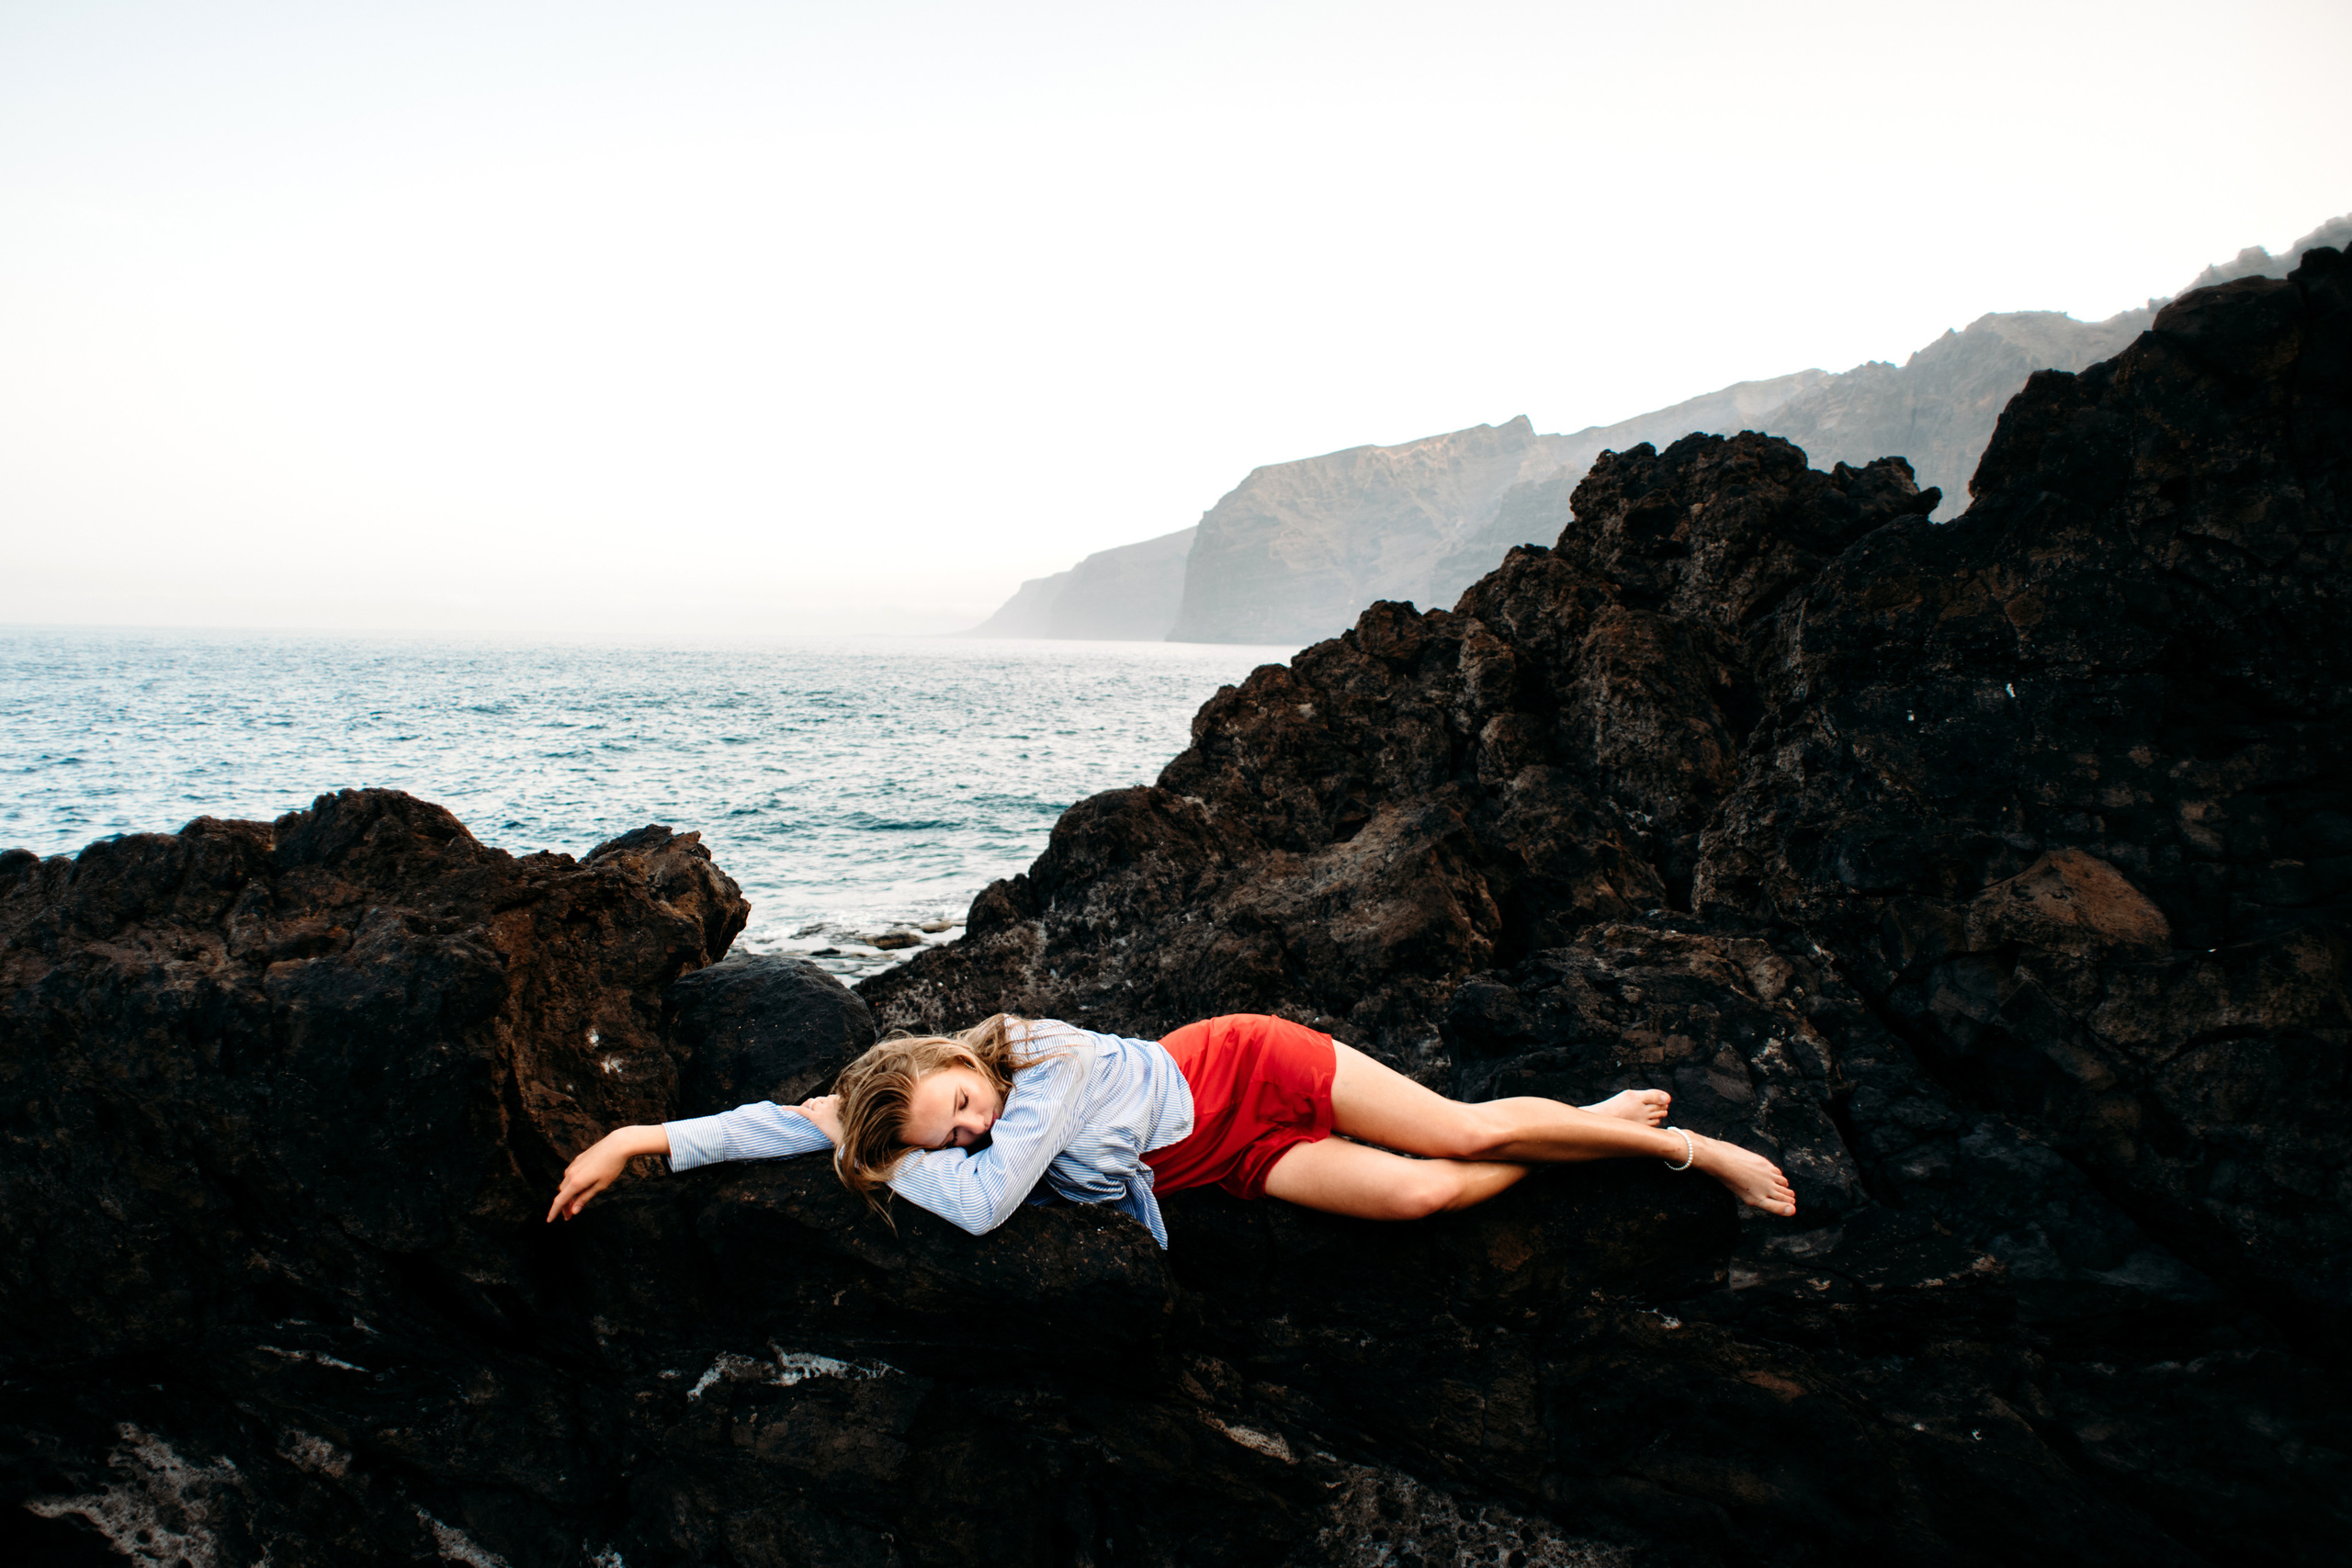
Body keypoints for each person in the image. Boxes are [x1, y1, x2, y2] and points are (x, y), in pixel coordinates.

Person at [546, 1013, 1796, 1246]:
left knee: (1461, 1134)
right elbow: (787, 1120)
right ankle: (1580, 1133)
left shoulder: (1044, 1069)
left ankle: (1688, 1152)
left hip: (1250, 1065)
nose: (975, 1139)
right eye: (946, 1137)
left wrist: (877, 1162)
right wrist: (636, 1139)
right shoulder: (916, 1119)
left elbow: (982, 1211)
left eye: (962, 1109)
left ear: (960, 1060)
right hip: (1222, 1160)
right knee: (1425, 1200)